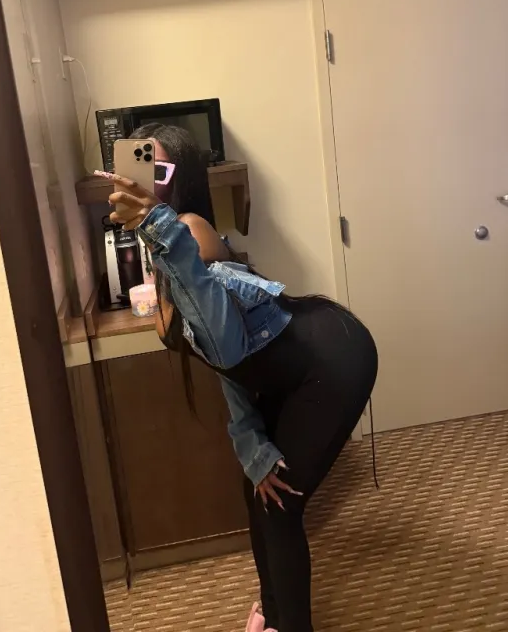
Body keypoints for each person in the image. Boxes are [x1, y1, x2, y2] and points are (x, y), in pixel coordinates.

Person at [108, 124, 378, 632]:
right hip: (289, 372)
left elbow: (225, 347)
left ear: (183, 178)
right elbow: (226, 366)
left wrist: (155, 223)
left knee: (281, 505)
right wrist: (252, 444)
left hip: (333, 359)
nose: (146, 181)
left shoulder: (188, 231)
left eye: (159, 170)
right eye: (139, 166)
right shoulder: (164, 243)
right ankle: (273, 614)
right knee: (260, 484)